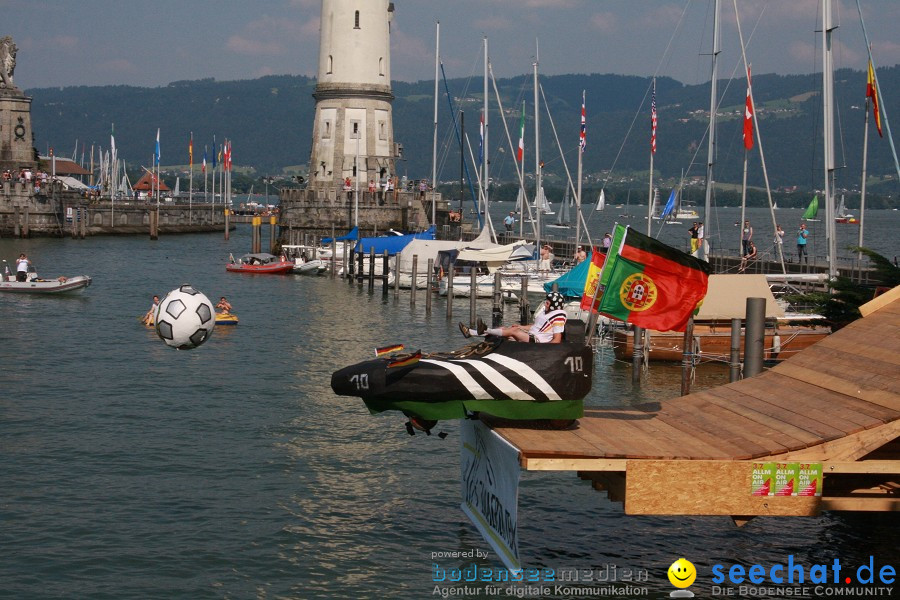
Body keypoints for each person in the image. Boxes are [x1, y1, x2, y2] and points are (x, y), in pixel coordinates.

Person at [459, 291, 568, 344]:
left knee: (513, 331)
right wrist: (521, 326)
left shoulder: (558, 316)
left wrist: (542, 349)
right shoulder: (545, 312)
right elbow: (535, 326)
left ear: (554, 305)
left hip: (538, 341)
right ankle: (471, 332)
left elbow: (557, 339)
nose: (545, 304)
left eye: (548, 303)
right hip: (531, 335)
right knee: (503, 328)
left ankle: (486, 329)